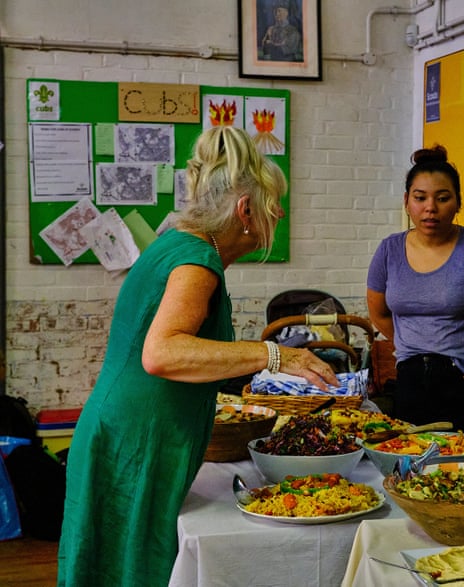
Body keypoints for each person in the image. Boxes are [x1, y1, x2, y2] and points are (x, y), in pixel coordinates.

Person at [57, 126, 338, 587]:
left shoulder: (181, 244)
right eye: (273, 205)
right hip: (138, 438)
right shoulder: (196, 262)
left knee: (112, 563)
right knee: (132, 568)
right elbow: (162, 353)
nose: (280, 213)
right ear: (245, 211)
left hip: (128, 429)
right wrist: (273, 356)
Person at [366, 145, 464, 438]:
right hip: (410, 381)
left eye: (442, 198)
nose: (431, 208)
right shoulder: (389, 250)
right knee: (414, 472)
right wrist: (414, 342)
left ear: (458, 203)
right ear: (406, 202)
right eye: (420, 198)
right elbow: (378, 313)